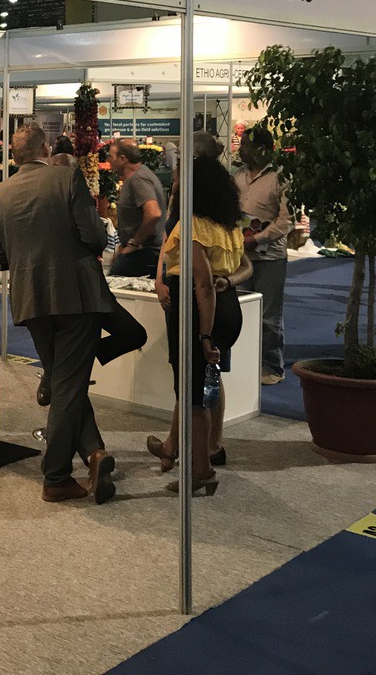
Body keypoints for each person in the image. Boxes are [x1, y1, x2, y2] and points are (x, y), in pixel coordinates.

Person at [0, 125, 117, 504]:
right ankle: (56, 475)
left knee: (64, 381)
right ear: (45, 149)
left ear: (15, 156)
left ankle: (94, 454)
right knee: (68, 385)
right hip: (76, 295)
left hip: (31, 300)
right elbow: (95, 237)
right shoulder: (67, 178)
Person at [146, 155, 246, 496]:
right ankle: (183, 452)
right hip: (229, 308)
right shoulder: (228, 225)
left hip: (197, 311)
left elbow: (202, 285)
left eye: (178, 180)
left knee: (192, 395)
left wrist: (203, 335)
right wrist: (228, 282)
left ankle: (201, 469)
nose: (173, 185)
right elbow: (244, 267)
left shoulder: (191, 226)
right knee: (200, 386)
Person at [234, 124, 292, 384]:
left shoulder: (281, 177)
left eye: (245, 145)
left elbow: (286, 221)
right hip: (240, 255)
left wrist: (256, 239)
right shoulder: (238, 176)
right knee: (240, 310)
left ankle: (271, 367)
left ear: (261, 149)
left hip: (270, 257)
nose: (240, 150)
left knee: (269, 316)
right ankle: (244, 365)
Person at [107, 138, 164, 277]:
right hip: (142, 252)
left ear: (122, 159)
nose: (108, 160)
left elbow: (154, 213)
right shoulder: (141, 175)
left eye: (111, 156)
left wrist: (133, 244)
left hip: (143, 254)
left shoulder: (137, 179)